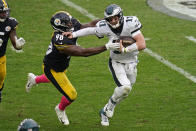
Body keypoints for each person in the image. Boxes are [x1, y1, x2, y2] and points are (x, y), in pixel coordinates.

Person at [26, 11, 121, 126]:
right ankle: (60, 109)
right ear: (60, 27)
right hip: (52, 68)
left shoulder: (69, 25)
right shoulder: (60, 40)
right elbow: (83, 52)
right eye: (67, 22)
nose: (71, 23)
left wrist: (109, 19)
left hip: (61, 64)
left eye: (69, 20)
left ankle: (34, 80)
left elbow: (90, 25)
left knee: (54, 79)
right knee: (71, 95)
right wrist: (106, 46)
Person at [62, 4, 146, 126]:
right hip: (116, 62)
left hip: (132, 62)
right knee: (125, 87)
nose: (113, 21)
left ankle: (106, 110)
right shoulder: (105, 26)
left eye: (115, 18)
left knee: (125, 92)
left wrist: (125, 50)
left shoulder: (131, 22)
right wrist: (74, 35)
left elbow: (142, 44)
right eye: (110, 19)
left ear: (120, 16)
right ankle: (109, 109)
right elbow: (90, 30)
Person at [0, 0, 25, 103]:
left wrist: (18, 44)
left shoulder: (10, 23)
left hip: (1, 57)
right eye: (2, 12)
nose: (5, 14)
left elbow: (14, 39)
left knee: (1, 77)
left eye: (6, 11)